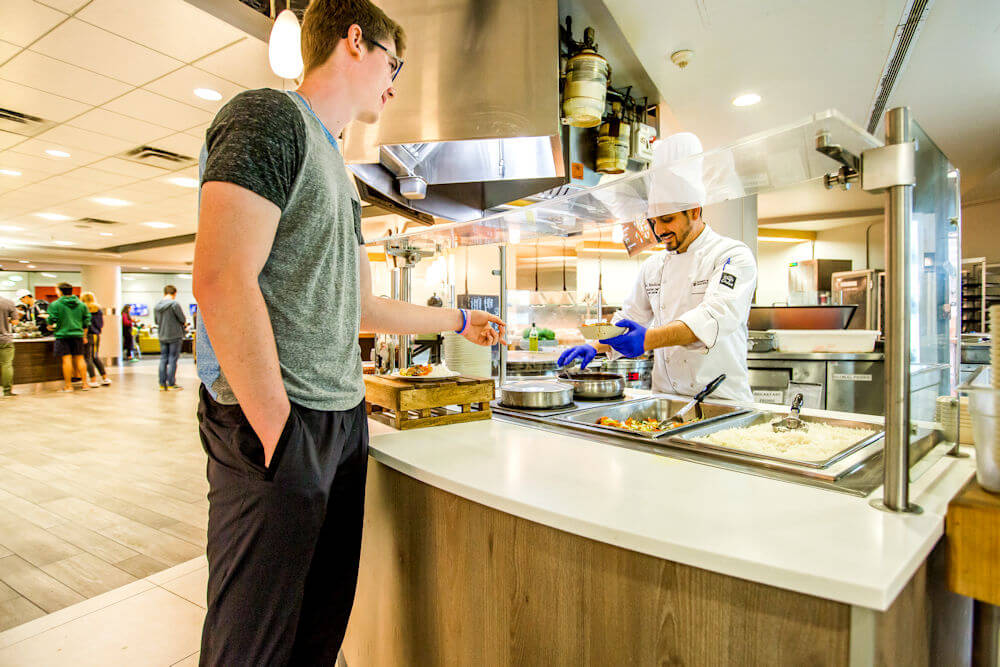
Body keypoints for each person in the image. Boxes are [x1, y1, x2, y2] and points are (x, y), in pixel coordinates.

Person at [193, 2, 505, 663]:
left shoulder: (336, 164)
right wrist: (281, 438)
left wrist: (458, 319)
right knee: (252, 643)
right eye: (393, 64)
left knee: (317, 633)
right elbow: (221, 279)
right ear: (353, 40)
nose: (394, 85)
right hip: (278, 423)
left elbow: (360, 305)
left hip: (339, 422)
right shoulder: (269, 117)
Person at [559, 133, 758, 403]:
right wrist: (595, 346)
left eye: (667, 219)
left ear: (695, 211)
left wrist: (648, 339)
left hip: (720, 401)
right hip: (665, 400)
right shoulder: (653, 267)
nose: (660, 230)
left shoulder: (732, 256)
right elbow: (631, 319)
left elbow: (714, 317)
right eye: (654, 222)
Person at [46, 282, 91, 393]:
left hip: (62, 335)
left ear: (60, 291)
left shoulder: (55, 304)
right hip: (78, 335)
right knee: (80, 358)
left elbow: (51, 320)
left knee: (66, 360)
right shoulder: (81, 304)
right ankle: (85, 384)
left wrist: (49, 324)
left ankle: (68, 386)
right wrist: (84, 334)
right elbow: (86, 322)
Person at [154, 285, 187, 391]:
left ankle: (161, 384)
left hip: (162, 335)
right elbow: (182, 319)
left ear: (164, 293)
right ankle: (171, 383)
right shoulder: (174, 304)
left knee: (163, 358)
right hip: (175, 335)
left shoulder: (157, 306)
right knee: (173, 359)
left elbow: (156, 321)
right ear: (174, 293)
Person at [80, 292, 111, 387]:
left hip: (87, 334)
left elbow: (84, 324)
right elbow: (101, 324)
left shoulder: (83, 309)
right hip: (96, 335)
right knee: (95, 356)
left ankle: (93, 380)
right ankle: (105, 377)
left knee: (87, 358)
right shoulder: (98, 309)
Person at [0, 295, 19, 397]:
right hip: (5, 339)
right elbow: (15, 321)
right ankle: (7, 391)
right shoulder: (8, 302)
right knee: (6, 364)